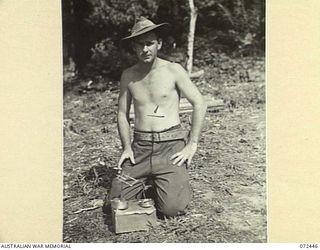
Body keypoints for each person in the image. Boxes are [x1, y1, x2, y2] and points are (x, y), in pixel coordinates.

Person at [108, 17, 207, 218]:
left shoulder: (173, 70)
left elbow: (200, 102)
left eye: (149, 43)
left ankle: (171, 182)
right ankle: (153, 180)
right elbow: (122, 113)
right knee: (115, 202)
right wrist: (127, 147)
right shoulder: (128, 75)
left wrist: (192, 144)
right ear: (133, 48)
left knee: (172, 210)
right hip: (141, 148)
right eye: (139, 44)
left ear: (158, 44)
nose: (145, 49)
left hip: (170, 147)